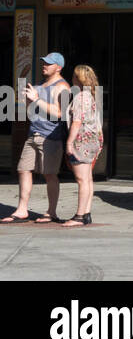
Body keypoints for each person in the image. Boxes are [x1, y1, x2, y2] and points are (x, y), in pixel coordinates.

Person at [4, 52, 71, 223]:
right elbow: (32, 109)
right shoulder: (41, 84)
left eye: (49, 63)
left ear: (58, 67)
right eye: (43, 63)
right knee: (23, 169)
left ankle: (51, 212)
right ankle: (21, 209)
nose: (44, 65)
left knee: (50, 174)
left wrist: (37, 99)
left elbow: (60, 113)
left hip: (51, 136)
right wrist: (28, 99)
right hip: (33, 132)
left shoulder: (62, 86)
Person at [62, 65, 104, 227]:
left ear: (78, 79)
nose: (72, 78)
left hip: (81, 141)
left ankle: (79, 216)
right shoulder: (90, 96)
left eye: (74, 76)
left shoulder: (80, 98)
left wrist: (69, 142)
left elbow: (76, 122)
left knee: (81, 180)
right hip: (92, 140)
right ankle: (86, 213)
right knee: (88, 179)